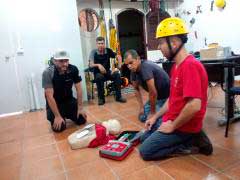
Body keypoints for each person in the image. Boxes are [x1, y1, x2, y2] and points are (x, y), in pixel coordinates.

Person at [139, 17, 213, 160]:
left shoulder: (190, 66)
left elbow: (194, 106)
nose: (159, 47)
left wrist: (172, 126)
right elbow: (172, 99)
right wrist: (155, 116)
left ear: (173, 43)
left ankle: (191, 142)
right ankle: (189, 137)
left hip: (184, 126)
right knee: (143, 138)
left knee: (146, 151)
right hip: (175, 120)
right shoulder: (176, 66)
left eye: (161, 43)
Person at [42, 50, 87, 132]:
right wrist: (57, 116)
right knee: (60, 128)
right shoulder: (48, 73)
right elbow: (49, 96)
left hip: (69, 100)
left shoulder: (73, 69)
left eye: (66, 60)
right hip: (55, 103)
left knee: (81, 120)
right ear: (54, 61)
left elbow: (79, 89)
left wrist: (80, 108)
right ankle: (60, 116)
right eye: (61, 61)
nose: (65, 64)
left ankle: (67, 114)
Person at [124, 49, 170, 122]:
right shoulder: (133, 71)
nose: (129, 66)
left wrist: (152, 112)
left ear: (138, 59)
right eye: (127, 64)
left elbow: (153, 92)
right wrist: (141, 107)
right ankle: (163, 113)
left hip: (167, 97)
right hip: (157, 98)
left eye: (131, 63)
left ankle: (167, 113)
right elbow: (136, 88)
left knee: (155, 121)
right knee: (142, 117)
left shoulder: (145, 67)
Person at [89, 36, 126, 105]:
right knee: (99, 77)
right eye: (99, 43)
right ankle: (101, 99)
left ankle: (118, 97)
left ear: (104, 44)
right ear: (96, 44)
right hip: (98, 73)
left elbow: (118, 56)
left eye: (102, 43)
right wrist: (98, 65)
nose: (100, 45)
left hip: (107, 72)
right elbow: (91, 65)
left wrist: (119, 65)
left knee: (117, 75)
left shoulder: (108, 50)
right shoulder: (93, 52)